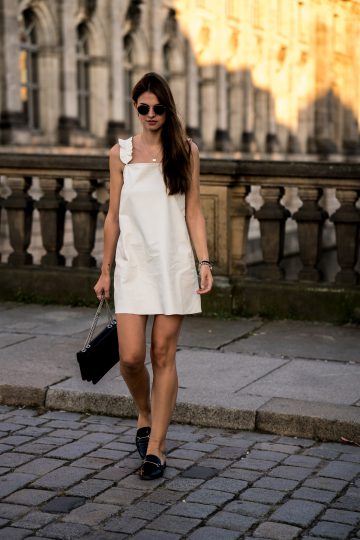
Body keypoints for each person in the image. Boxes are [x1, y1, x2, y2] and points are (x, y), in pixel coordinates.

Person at [94, 72, 213, 480]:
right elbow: (113, 217)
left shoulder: (186, 151)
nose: (150, 115)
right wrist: (106, 267)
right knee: (129, 358)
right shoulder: (120, 154)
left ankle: (157, 448)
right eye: (143, 108)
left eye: (158, 108)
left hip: (174, 265)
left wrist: (204, 261)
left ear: (168, 109)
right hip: (133, 266)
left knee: (163, 354)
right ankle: (143, 411)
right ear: (135, 107)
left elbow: (193, 211)